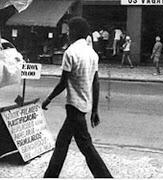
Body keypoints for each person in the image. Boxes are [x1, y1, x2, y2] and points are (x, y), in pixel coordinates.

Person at [41, 16, 112, 178]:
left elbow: (63, 83)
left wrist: (49, 98)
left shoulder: (70, 53)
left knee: (86, 146)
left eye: (68, 31)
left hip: (74, 106)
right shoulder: (92, 54)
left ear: (74, 32)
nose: (67, 34)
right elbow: (96, 83)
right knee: (62, 142)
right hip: (85, 106)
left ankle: (105, 177)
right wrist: (95, 110)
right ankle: (50, 176)